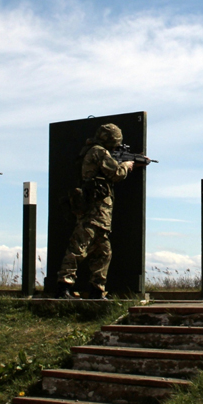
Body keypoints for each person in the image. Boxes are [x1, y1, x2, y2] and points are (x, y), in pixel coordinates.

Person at [56, 123, 134, 300]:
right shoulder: (99, 151)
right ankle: (64, 287)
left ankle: (97, 290)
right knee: (78, 248)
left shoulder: (93, 150)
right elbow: (116, 174)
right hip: (93, 211)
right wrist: (127, 166)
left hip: (100, 214)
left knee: (104, 252)